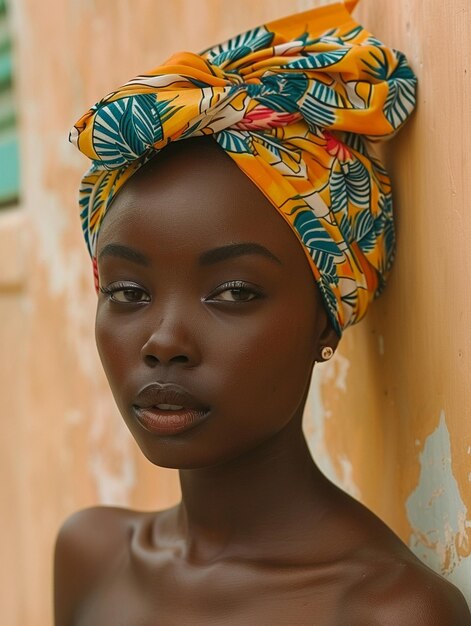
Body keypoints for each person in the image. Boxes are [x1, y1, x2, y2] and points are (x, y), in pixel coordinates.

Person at [55, 2, 471, 624]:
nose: (164, 341)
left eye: (234, 292)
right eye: (127, 293)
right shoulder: (89, 556)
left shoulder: (386, 612)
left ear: (325, 320)